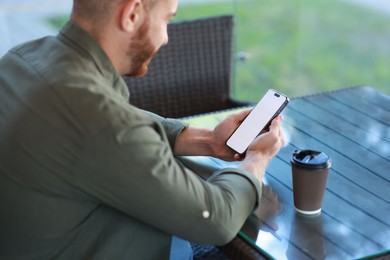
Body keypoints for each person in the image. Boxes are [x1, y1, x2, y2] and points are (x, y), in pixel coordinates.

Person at [0, 0, 285, 259]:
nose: (165, 38)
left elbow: (119, 119)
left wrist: (208, 140)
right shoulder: (99, 119)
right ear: (132, 13)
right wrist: (256, 159)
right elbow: (217, 219)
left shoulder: (22, 58)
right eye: (166, 20)